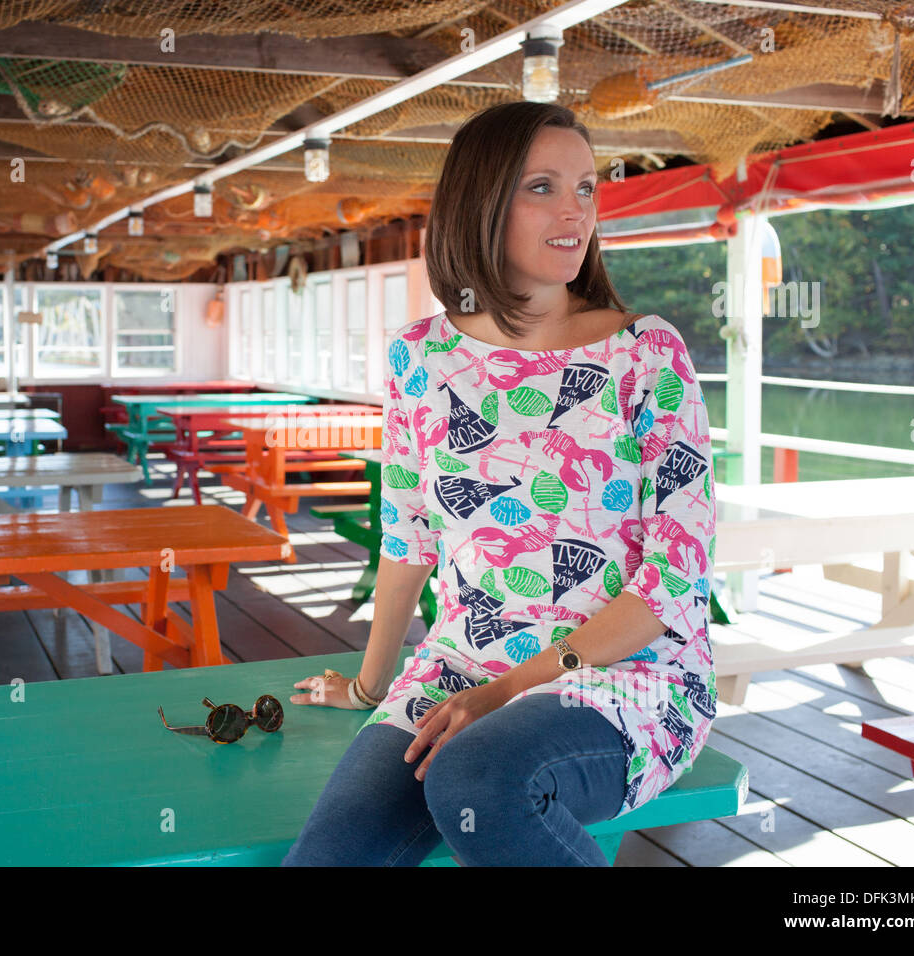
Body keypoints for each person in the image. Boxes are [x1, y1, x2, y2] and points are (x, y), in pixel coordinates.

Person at [281, 101, 717, 867]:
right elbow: (408, 534)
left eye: (586, 188)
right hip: (458, 665)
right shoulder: (418, 357)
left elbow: (673, 584)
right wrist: (369, 685)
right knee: (328, 857)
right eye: (542, 187)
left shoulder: (646, 355)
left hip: (624, 681)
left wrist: (508, 690)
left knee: (479, 779)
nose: (574, 211)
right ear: (480, 204)